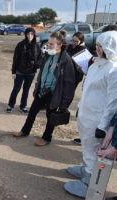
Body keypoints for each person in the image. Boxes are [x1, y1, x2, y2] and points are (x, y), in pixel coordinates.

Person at [64, 31, 117, 198]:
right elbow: (87, 88)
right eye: (98, 46)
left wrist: (103, 125)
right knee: (86, 146)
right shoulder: (96, 64)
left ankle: (90, 184)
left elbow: (112, 100)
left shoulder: (113, 69)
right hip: (86, 115)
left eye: (101, 47)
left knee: (95, 148)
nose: (98, 49)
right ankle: (86, 169)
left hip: (97, 119)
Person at [13, 31, 75, 146]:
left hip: (53, 94)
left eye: (52, 44)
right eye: (48, 43)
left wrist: (64, 104)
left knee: (50, 117)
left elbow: (69, 84)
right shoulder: (48, 55)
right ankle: (24, 131)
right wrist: (37, 88)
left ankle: (46, 138)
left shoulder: (66, 60)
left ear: (60, 44)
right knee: (32, 112)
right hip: (42, 91)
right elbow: (42, 74)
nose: (48, 46)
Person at [6, 27, 40, 113]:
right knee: (16, 89)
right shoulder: (20, 45)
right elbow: (15, 59)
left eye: (32, 34)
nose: (30, 36)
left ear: (34, 35)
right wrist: (13, 72)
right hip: (19, 72)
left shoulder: (37, 46)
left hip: (31, 73)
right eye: (28, 34)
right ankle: (10, 105)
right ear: (25, 34)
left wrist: (36, 65)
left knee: (26, 90)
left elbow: (40, 58)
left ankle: (23, 106)